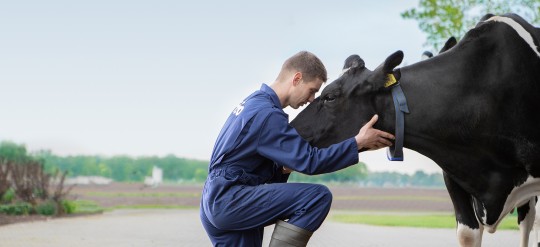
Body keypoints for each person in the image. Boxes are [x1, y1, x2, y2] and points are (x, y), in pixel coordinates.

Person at [200, 51, 395, 247]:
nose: (311, 99)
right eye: (312, 90)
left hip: (214, 198)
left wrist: (280, 168)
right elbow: (310, 161)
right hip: (231, 199)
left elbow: (239, 161)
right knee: (316, 198)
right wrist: (357, 143)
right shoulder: (268, 115)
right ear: (297, 78)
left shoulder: (253, 103)